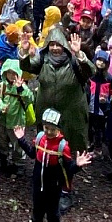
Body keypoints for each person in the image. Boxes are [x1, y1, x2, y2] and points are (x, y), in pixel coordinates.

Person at [18, 23, 93, 158]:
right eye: (52, 45)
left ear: (65, 45)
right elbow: (27, 67)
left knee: (69, 147)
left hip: (71, 112)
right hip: (47, 110)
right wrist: (24, 52)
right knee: (47, 143)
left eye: (58, 45)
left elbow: (90, 71)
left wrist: (79, 54)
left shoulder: (74, 61)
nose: (55, 48)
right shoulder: (43, 59)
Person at [14, 109, 74, 222]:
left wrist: (78, 165)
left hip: (54, 184)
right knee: (37, 206)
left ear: (59, 130)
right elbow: (32, 154)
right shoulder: (40, 138)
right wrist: (21, 139)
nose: (48, 132)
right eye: (46, 128)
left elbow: (69, 167)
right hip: (38, 181)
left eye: (52, 129)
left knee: (52, 211)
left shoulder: (62, 146)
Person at [0, 58, 36, 173]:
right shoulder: (2, 86)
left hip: (17, 122)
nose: (12, 76)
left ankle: (18, 163)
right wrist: (2, 106)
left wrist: (20, 89)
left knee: (17, 144)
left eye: (14, 73)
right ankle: (3, 157)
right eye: (9, 73)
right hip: (3, 120)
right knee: (2, 140)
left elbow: (30, 99)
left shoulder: (23, 88)